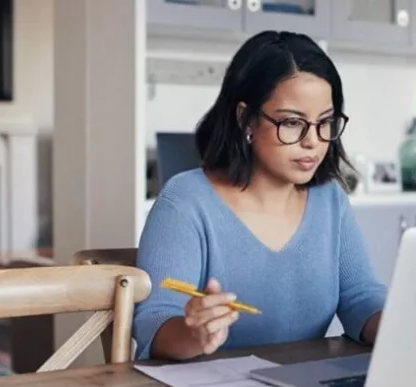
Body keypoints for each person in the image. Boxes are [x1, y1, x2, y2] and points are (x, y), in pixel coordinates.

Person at [133, 30, 388, 361]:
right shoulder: (186, 201)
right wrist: (194, 333)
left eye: (325, 122)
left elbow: (360, 297)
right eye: (293, 123)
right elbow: (154, 322)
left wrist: (401, 324)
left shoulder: (330, 200)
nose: (313, 141)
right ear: (246, 119)